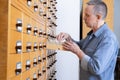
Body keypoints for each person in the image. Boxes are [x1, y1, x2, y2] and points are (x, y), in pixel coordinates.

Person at [56, 0, 119, 80]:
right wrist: (68, 37)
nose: (84, 18)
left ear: (98, 17)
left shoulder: (108, 39)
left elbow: (96, 67)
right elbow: (80, 46)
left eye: (87, 15)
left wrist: (78, 52)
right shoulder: (92, 34)